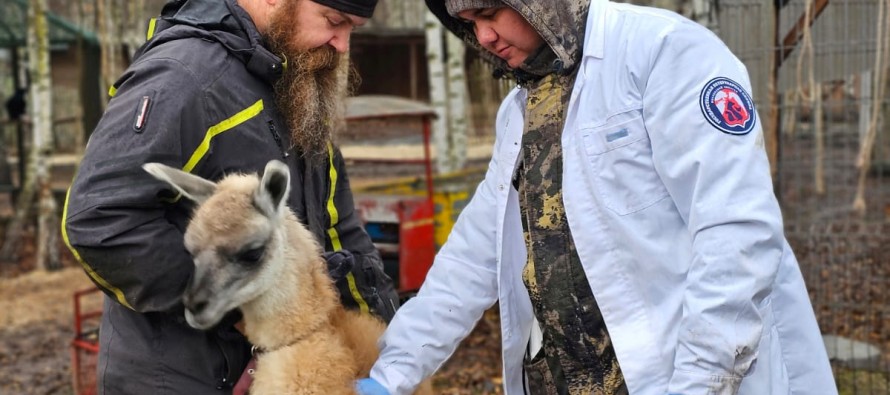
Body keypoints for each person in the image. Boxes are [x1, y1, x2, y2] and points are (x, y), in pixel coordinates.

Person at [356, 0, 838, 394]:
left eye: (491, 13)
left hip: (679, 378)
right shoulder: (521, 109)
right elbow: (473, 256)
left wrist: (699, 382)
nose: (483, 38)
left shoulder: (665, 54)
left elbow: (736, 234)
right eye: (470, 23)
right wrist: (391, 373)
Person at [62, 0, 399, 393]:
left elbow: (338, 231)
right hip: (181, 378)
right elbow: (100, 220)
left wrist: (391, 351)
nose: (342, 45)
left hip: (277, 369)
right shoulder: (187, 78)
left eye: (352, 29)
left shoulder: (293, 83)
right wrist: (240, 314)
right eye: (334, 21)